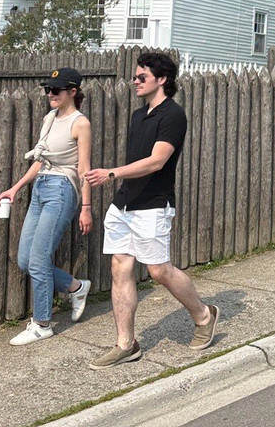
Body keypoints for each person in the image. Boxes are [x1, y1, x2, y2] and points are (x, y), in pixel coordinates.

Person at [83, 51, 218, 369]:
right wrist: (118, 184)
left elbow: (157, 161)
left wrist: (112, 172)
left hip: (154, 205)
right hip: (124, 204)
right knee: (120, 268)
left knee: (158, 271)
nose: (135, 81)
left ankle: (204, 314)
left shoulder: (173, 115)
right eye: (135, 75)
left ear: (162, 80)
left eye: (141, 76)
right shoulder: (138, 115)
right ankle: (126, 344)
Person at [0, 67, 93, 346]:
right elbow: (40, 160)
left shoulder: (80, 123)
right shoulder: (49, 118)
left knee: (38, 261)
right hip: (40, 189)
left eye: (56, 90)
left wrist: (86, 207)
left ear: (72, 92)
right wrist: (15, 188)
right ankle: (75, 287)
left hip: (62, 191)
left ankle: (42, 323)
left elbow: (84, 169)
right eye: (48, 89)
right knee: (25, 259)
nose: (50, 94)